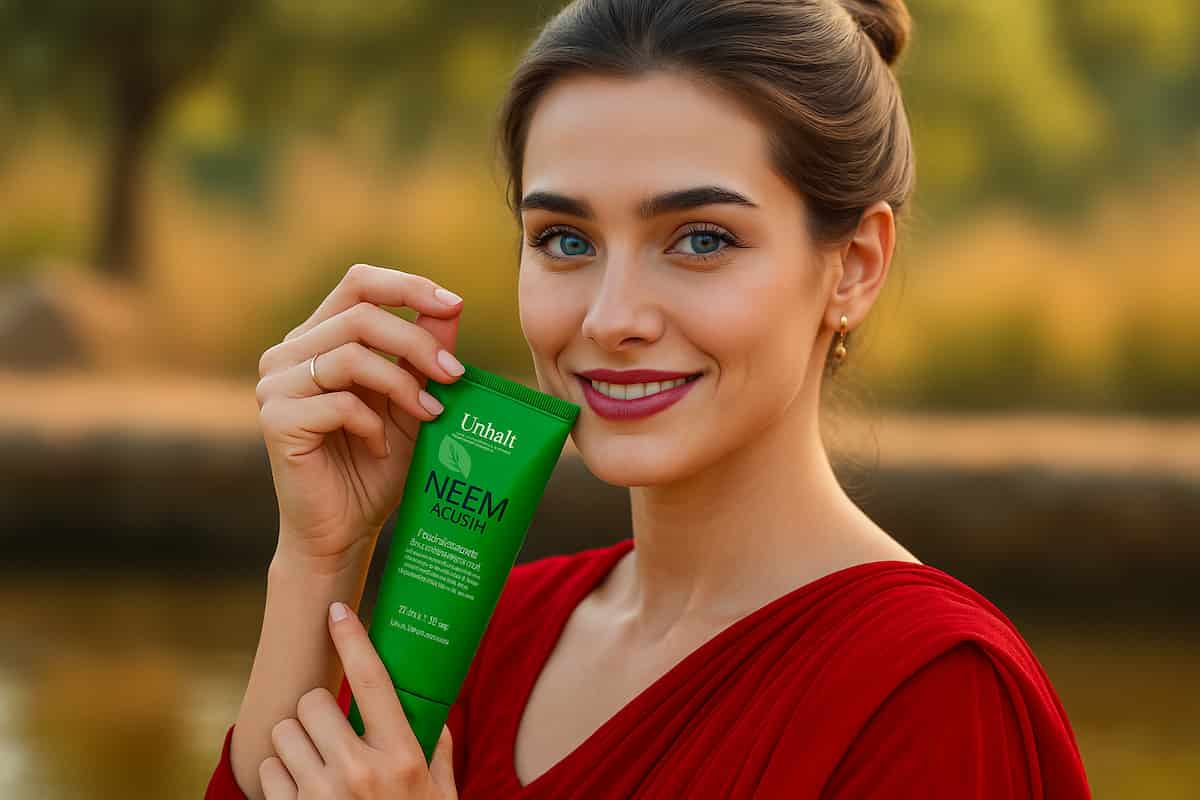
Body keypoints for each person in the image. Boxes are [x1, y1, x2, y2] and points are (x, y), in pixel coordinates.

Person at [207, 0, 1093, 797]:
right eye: (563, 239)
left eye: (701, 239)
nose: (612, 316)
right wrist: (321, 555)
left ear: (853, 268)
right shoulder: (488, 630)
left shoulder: (933, 692)